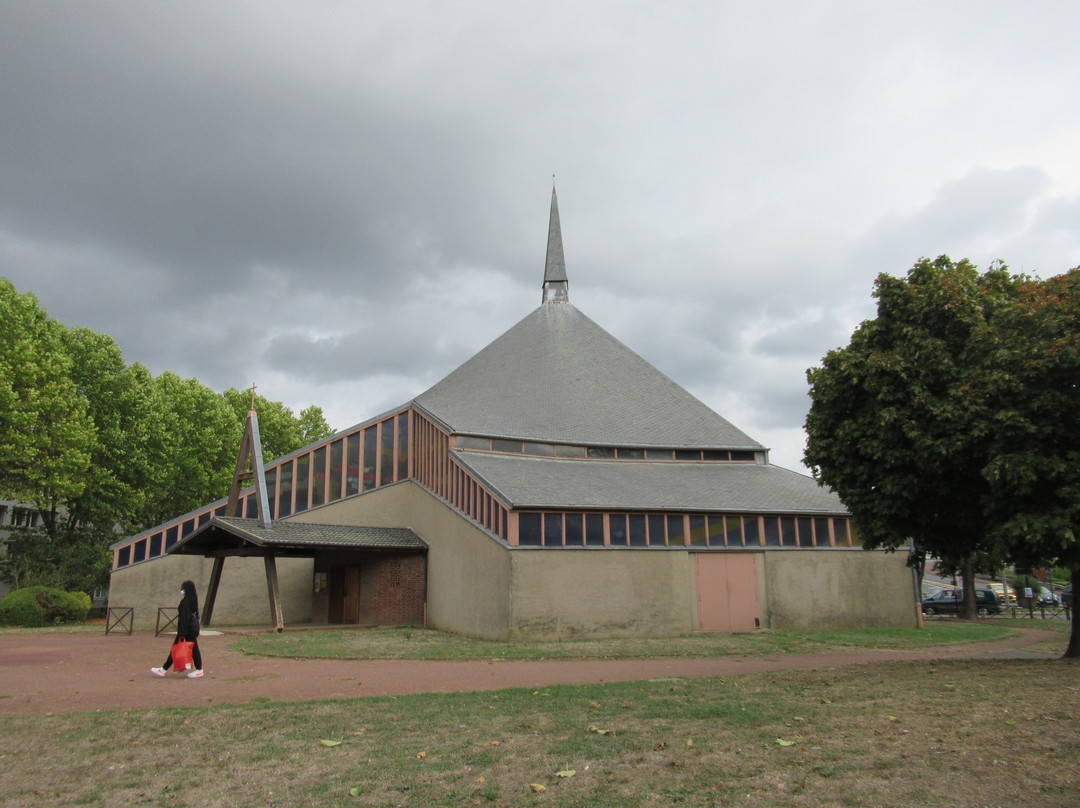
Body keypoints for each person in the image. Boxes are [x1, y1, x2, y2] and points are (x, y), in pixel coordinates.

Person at [151, 579, 204, 678]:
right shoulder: (193, 600)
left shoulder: (186, 602)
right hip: (192, 629)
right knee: (189, 648)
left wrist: (182, 632)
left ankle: (164, 669)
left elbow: (184, 618)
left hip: (187, 630)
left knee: (177, 648)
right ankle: (164, 669)